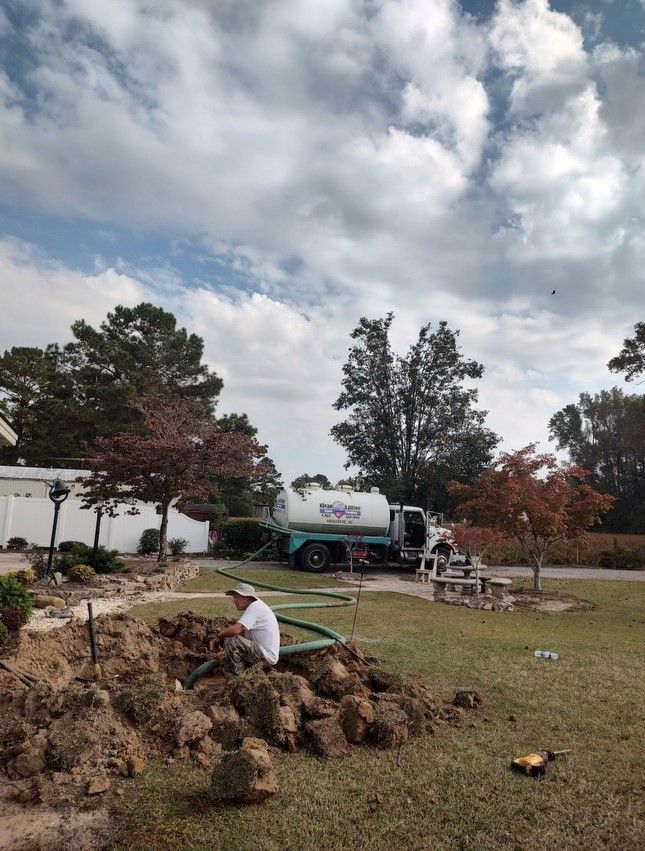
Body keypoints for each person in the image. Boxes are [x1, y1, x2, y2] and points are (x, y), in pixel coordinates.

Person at [218, 582, 281, 676]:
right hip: (262, 653)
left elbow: (235, 631)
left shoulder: (255, 607)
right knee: (232, 638)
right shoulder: (256, 606)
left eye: (236, 597)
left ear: (244, 597)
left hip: (266, 656)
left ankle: (235, 682)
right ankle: (245, 674)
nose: (233, 601)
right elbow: (241, 632)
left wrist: (220, 634)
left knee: (234, 642)